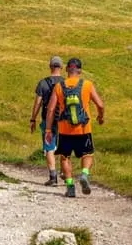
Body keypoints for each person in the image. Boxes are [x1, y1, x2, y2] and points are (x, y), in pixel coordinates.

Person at [44, 58, 105, 198]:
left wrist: (48, 130)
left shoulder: (59, 86)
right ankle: (84, 174)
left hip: (65, 130)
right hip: (84, 129)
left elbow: (51, 109)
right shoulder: (87, 85)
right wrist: (101, 117)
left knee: (65, 157)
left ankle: (70, 186)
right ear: (80, 70)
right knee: (87, 154)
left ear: (66, 70)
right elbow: (100, 105)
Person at [29, 56, 64, 186]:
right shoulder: (66, 83)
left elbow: (37, 103)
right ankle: (65, 173)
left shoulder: (43, 83)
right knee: (64, 147)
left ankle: (53, 177)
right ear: (61, 67)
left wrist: (33, 119)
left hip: (47, 120)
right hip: (64, 121)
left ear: (50, 66)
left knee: (49, 148)